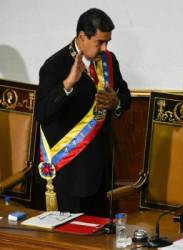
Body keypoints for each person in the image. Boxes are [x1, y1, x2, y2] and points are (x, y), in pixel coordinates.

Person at [35, 8, 131, 217]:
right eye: (100, 42)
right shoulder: (54, 66)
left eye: (108, 42)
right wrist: (67, 85)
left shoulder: (108, 60)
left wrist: (117, 102)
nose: (105, 48)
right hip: (71, 173)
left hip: (102, 171)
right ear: (82, 37)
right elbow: (42, 114)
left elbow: (125, 94)